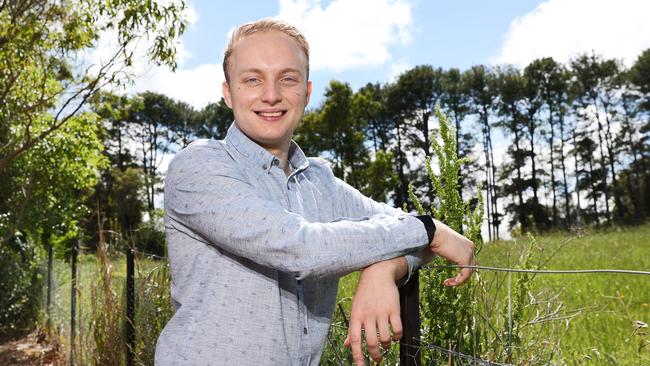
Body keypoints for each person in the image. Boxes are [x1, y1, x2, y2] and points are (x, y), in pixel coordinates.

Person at [155, 18, 475, 366]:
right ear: (228, 92)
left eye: (287, 79)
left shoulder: (320, 181)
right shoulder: (199, 166)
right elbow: (299, 248)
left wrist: (389, 266)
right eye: (252, 79)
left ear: (306, 93)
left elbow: (401, 231)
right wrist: (428, 228)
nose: (272, 95)